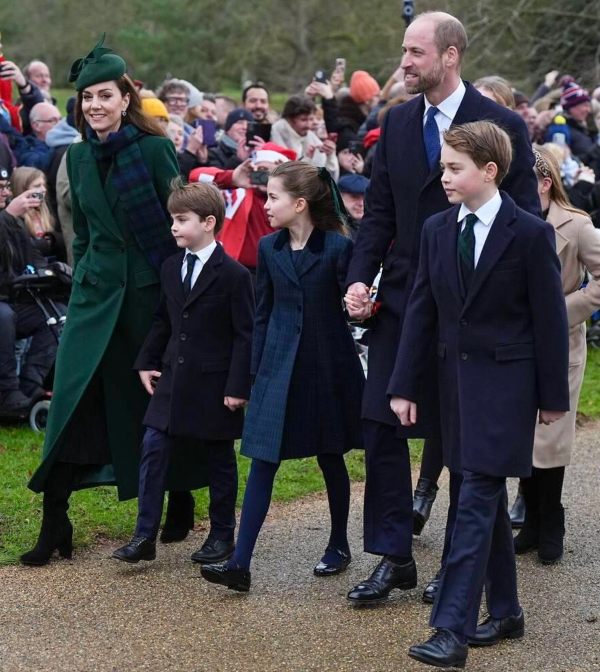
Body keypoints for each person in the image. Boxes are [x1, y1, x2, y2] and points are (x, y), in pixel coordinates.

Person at [344, 10, 540, 607]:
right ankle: (393, 554)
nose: (403, 63)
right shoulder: (398, 123)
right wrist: (358, 280)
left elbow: (524, 222)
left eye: (414, 52)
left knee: (459, 444)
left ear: (450, 55)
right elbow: (377, 214)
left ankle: (458, 568)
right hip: (401, 302)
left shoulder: (502, 125)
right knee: (380, 427)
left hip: (469, 310)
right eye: (404, 51)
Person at [388, 121, 569, 669]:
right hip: (452, 388)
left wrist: (553, 397)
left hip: (508, 388)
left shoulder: (530, 233)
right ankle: (508, 611)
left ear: (489, 171)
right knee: (478, 494)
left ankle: (451, 628)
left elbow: (550, 320)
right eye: (444, 166)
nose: (443, 176)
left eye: (453, 168)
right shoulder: (437, 230)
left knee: (473, 499)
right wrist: (403, 384)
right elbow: (421, 311)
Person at [23, 35, 199, 566]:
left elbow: (177, 225)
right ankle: (56, 520)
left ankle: (181, 493)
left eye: (104, 95)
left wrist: (175, 295)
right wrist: (83, 281)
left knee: (154, 400)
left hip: (147, 295)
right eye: (87, 98)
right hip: (94, 294)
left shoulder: (153, 148)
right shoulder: (74, 156)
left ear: (125, 99)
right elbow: (79, 233)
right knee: (71, 401)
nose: (95, 105)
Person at [200, 161, 364, 592]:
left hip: (326, 365)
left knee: (331, 455)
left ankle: (339, 544)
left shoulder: (337, 248)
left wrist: (362, 301)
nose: (266, 204)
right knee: (263, 458)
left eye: (273, 197)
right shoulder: (269, 248)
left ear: (301, 203)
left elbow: (353, 304)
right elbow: (262, 314)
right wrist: (253, 374)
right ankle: (240, 562)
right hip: (277, 366)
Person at [112, 180, 254, 564]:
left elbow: (245, 335)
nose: (173, 227)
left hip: (215, 383)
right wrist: (146, 361)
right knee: (153, 449)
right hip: (173, 381)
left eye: (181, 220)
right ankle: (144, 535)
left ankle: (223, 534)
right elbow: (164, 320)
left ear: (208, 222)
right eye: (172, 219)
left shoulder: (235, 275)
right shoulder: (172, 267)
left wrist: (238, 386)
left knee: (219, 459)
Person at [513, 146, 600, 565]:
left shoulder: (577, 225)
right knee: (523, 435)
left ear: (545, 182)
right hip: (516, 344)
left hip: (561, 343)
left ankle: (552, 518)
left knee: (549, 436)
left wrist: (563, 311)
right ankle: (530, 518)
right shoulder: (511, 221)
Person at [0, 162, 59, 414]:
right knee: (4, 316)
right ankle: (7, 393)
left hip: (11, 295)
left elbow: (31, 256)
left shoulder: (10, 219)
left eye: (5, 187)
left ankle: (30, 385)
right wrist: (8, 217)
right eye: (0, 188)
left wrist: (52, 272)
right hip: (4, 303)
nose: (5, 193)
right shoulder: (8, 217)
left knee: (56, 316)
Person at [271, 95, 339, 178]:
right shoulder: (278, 132)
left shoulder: (310, 136)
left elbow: (327, 178)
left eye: (310, 119)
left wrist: (330, 155)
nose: (308, 125)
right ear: (290, 119)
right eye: (303, 120)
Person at [10, 166, 65, 261]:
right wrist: (45, 243)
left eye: (44, 185)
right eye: (37, 186)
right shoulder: (12, 217)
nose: (44, 190)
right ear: (22, 190)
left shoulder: (49, 210)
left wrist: (53, 239)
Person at [338, 173, 369, 240]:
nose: (361, 204)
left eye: (365, 198)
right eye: (355, 197)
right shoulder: (330, 228)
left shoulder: (375, 227)